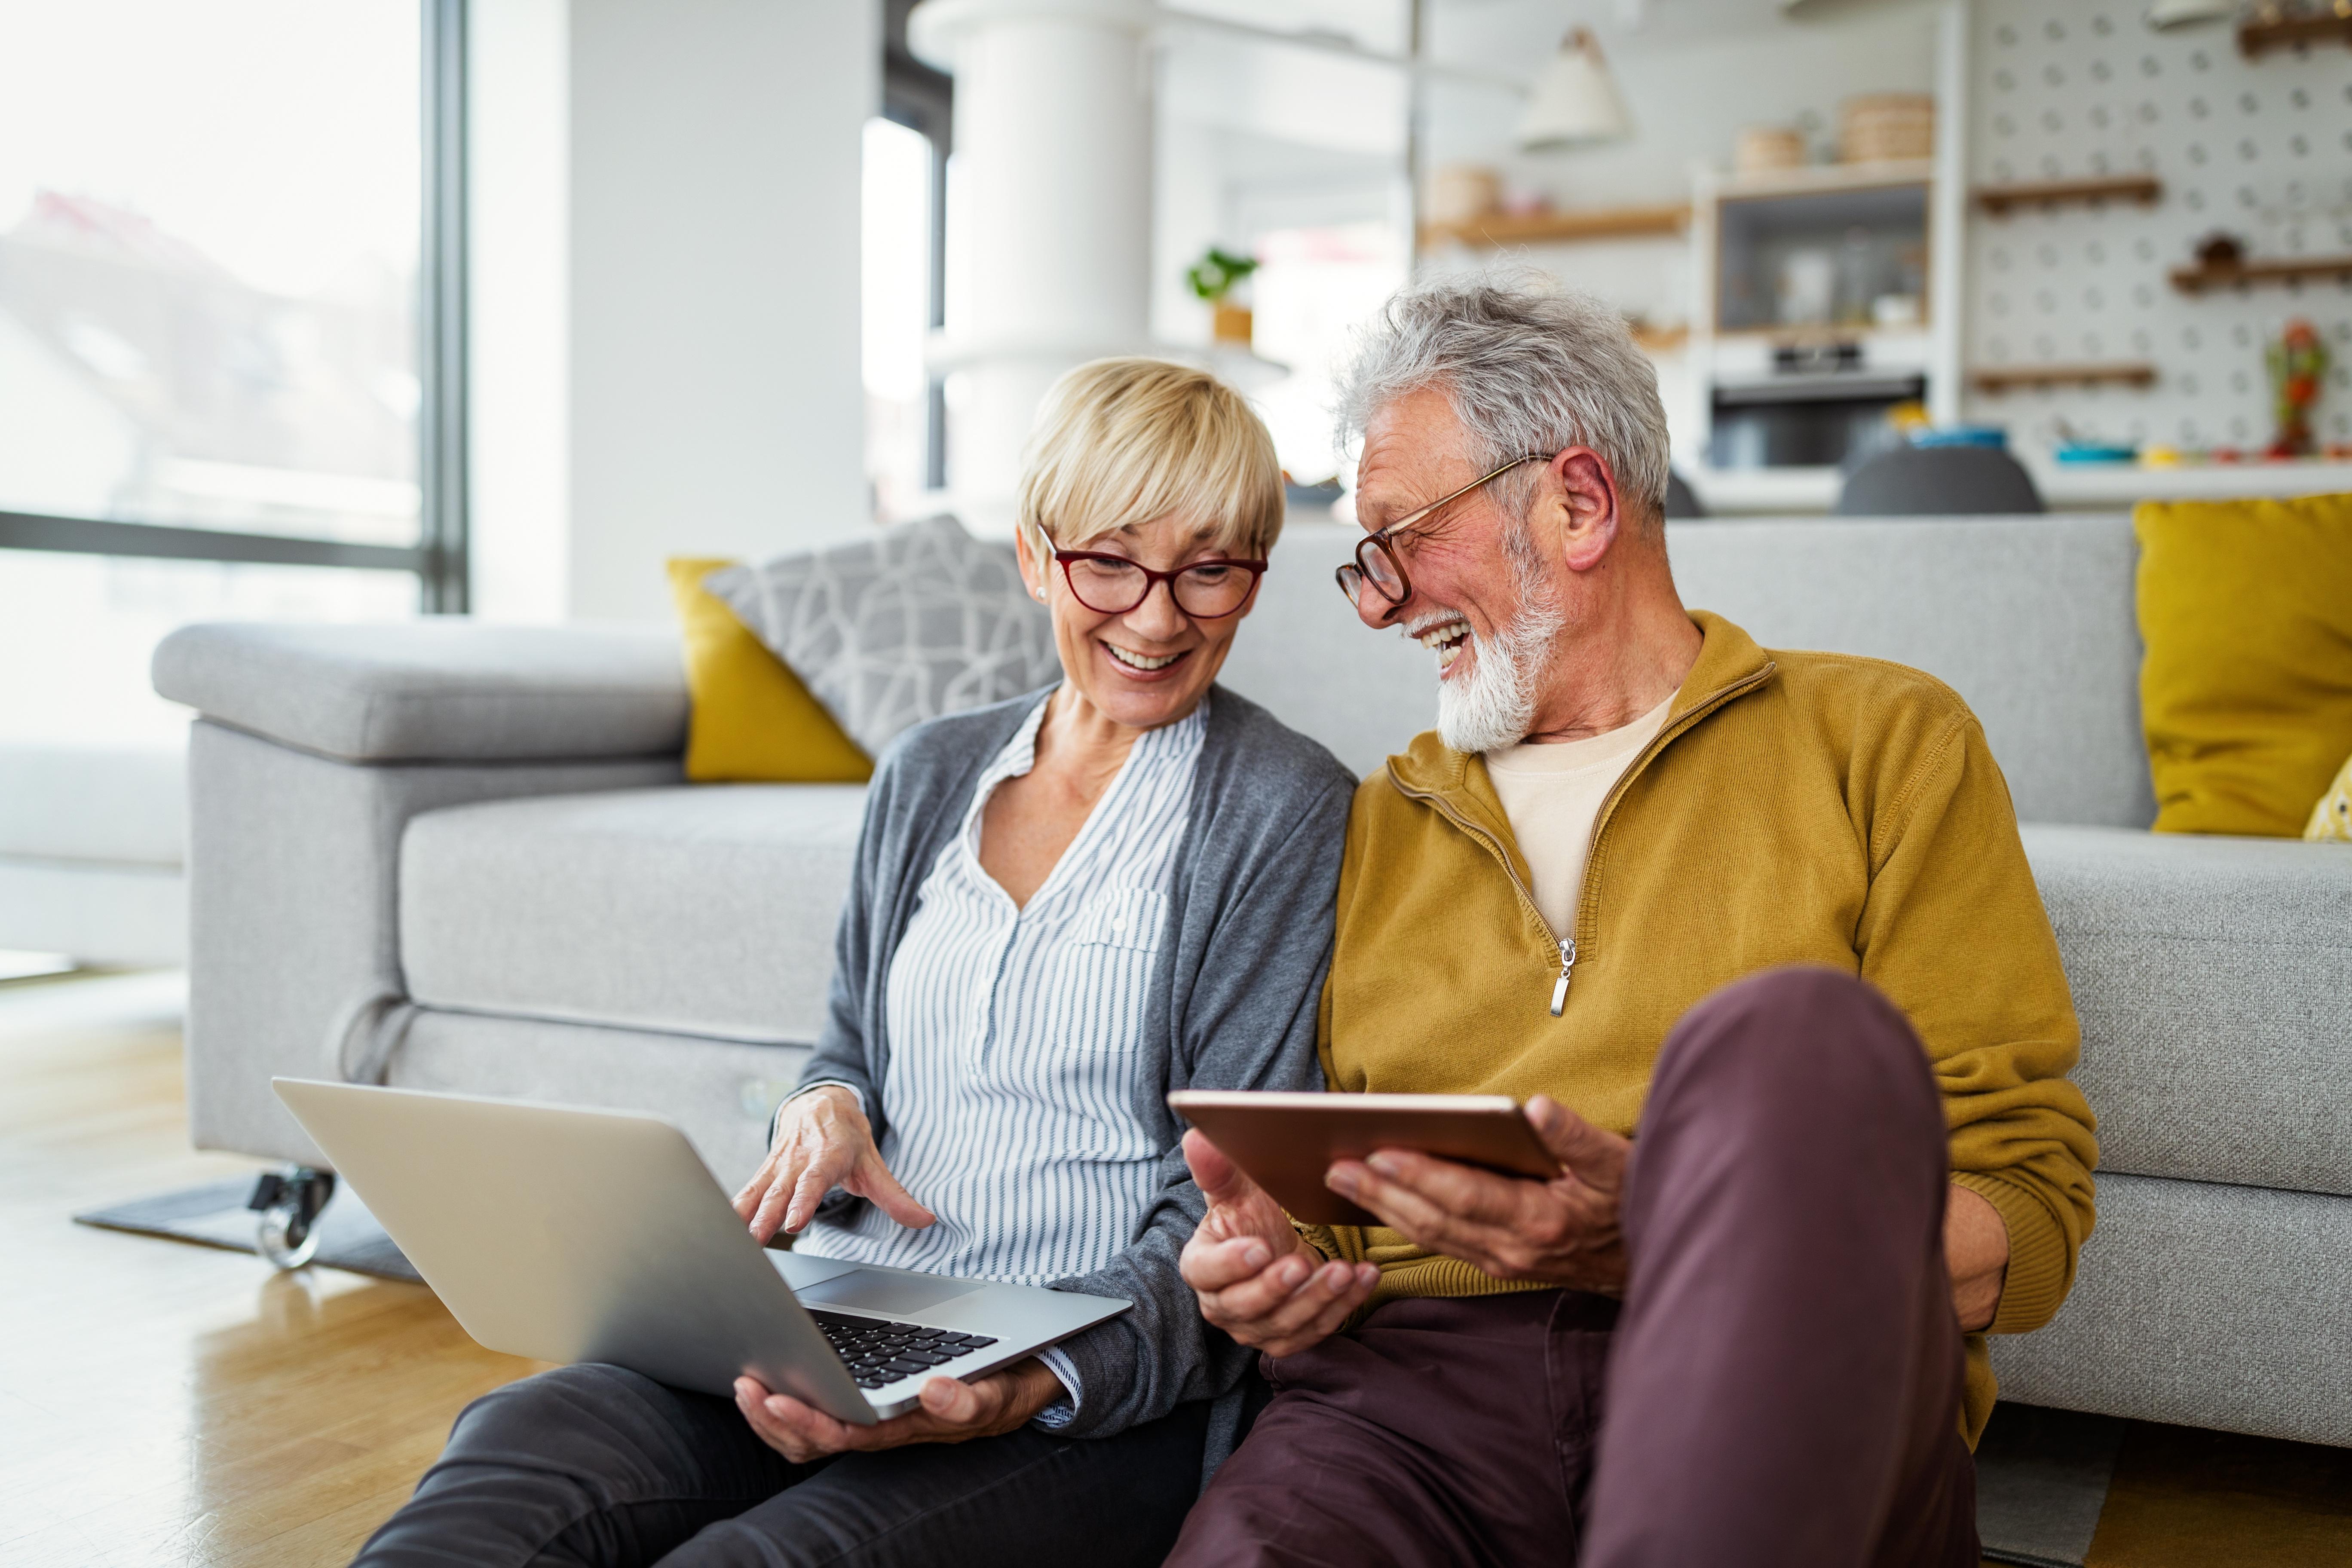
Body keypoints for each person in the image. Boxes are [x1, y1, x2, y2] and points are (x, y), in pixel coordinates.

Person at [351, 358, 1354, 1568]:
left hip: (1072, 1393)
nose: (1157, 616)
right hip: (837, 1309)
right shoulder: (932, 771)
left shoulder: (1283, 808)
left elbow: (1227, 1202)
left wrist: (1024, 1382)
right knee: (524, 1452)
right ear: (1037, 556)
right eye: (1110, 561)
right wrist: (821, 1108)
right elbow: (844, 1049)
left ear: (1253, 577)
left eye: (1208, 569)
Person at [1168, 276, 2099, 1567]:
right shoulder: (1384, 814)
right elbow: (1336, 1221)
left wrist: (1671, 1234)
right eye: (1362, 561)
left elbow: (2019, 1219)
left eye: (1401, 540)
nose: (1379, 603)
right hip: (1411, 1404)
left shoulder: (1884, 743)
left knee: (1789, 1032)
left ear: (1580, 503)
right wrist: (1268, 1271)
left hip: (1766, 1347)